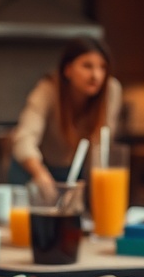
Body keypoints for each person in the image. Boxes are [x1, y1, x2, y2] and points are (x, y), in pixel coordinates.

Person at [8, 37, 122, 202]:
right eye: (87, 66)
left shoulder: (111, 91)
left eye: (102, 67)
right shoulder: (47, 90)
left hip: (74, 174)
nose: (96, 75)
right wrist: (40, 174)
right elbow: (24, 139)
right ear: (68, 69)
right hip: (33, 170)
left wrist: (97, 195)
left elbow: (100, 147)